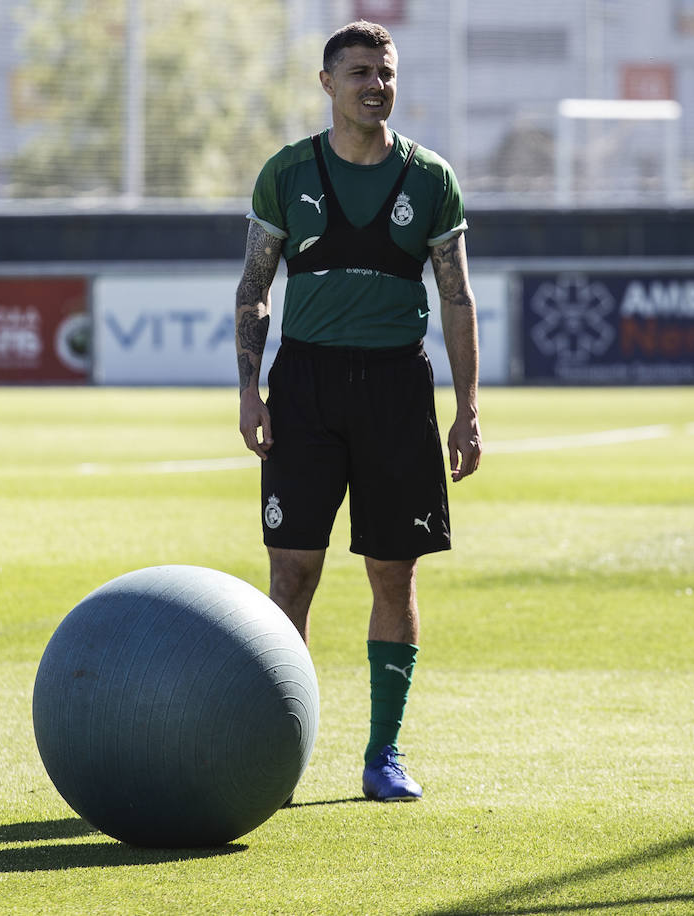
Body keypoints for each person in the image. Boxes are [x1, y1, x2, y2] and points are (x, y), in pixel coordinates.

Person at [234, 20, 481, 803]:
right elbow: (253, 289)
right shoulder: (287, 173)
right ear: (327, 82)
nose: (377, 83)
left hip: (396, 389)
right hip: (304, 388)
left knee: (392, 574)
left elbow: (457, 298)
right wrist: (251, 390)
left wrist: (468, 409)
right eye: (361, 72)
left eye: (387, 71)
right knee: (291, 574)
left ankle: (385, 755)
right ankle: (279, 753)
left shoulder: (430, 178)